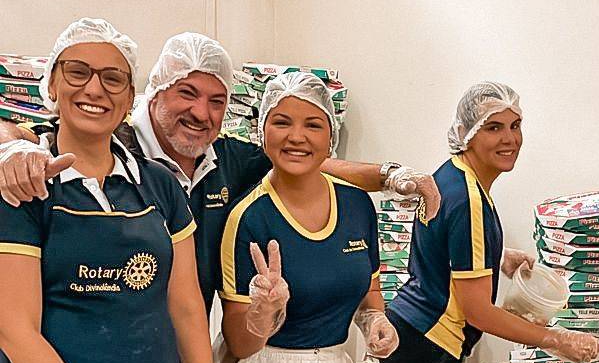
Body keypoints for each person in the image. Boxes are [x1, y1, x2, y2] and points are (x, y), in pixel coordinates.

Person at [0, 31, 441, 313]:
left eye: (216, 101)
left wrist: (392, 176)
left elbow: (311, 161)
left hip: (180, 353)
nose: (201, 112)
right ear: (153, 92)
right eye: (187, 93)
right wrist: (11, 146)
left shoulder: (227, 161)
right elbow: (31, 133)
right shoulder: (112, 148)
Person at [0, 18, 242, 363]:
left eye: (113, 79)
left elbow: (186, 305)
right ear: (51, 84)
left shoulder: (160, 185)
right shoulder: (25, 188)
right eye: (77, 72)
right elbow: (14, 328)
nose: (95, 89)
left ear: (132, 98)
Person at [382, 82, 599, 363]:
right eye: (493, 128)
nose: (509, 139)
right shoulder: (468, 198)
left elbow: (443, 247)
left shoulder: (452, 175)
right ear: (466, 134)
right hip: (428, 341)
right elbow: (479, 313)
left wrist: (494, 255)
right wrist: (556, 339)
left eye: (515, 125)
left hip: (412, 329)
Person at [216, 71, 397, 363]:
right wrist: (263, 313)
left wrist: (375, 318)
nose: (296, 137)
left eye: (313, 125)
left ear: (331, 137)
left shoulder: (357, 205)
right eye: (282, 122)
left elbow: (368, 287)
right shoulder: (249, 218)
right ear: (262, 132)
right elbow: (239, 344)